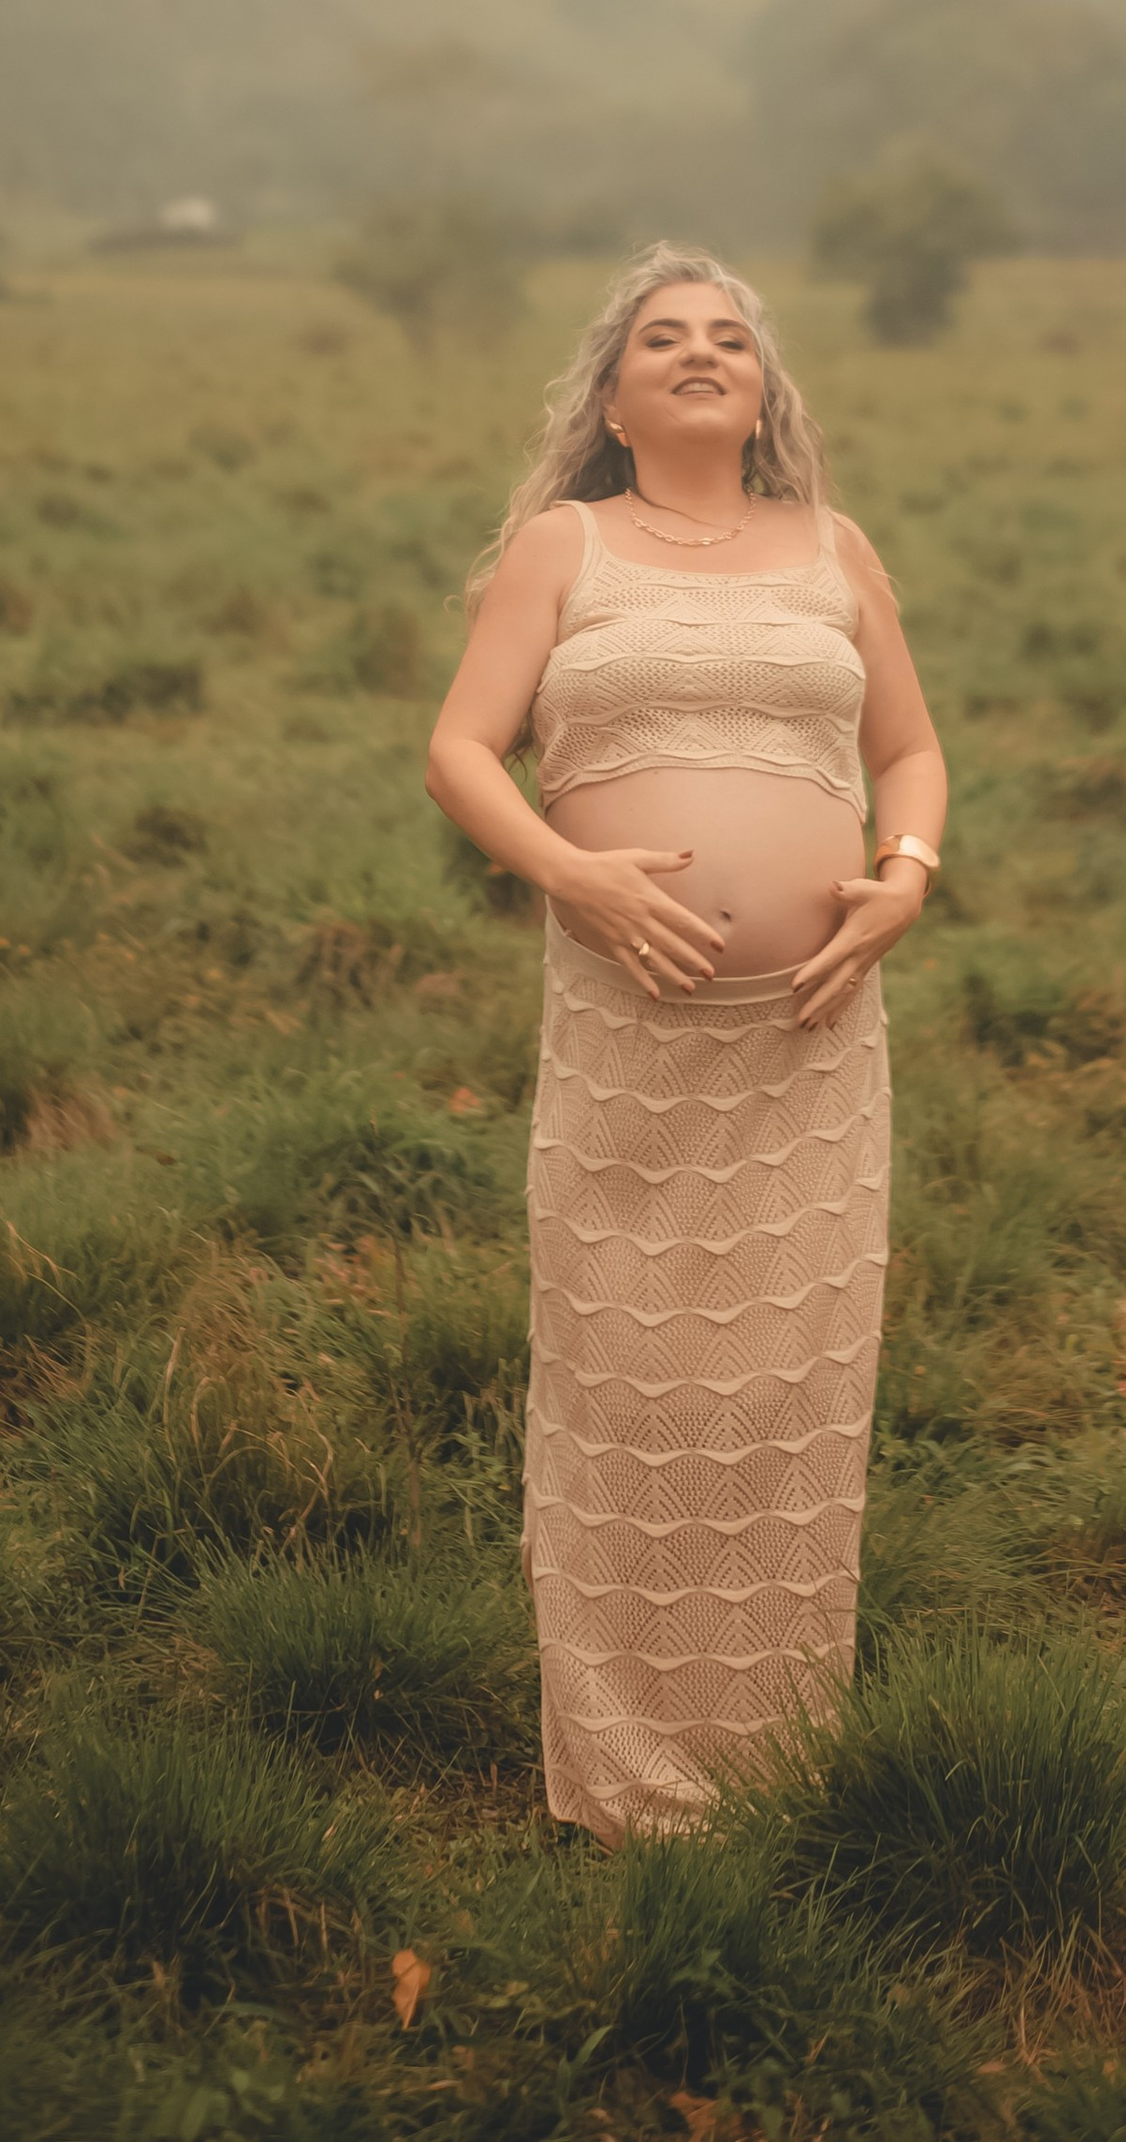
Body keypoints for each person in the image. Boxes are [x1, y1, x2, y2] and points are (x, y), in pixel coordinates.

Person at [425, 241, 946, 1844]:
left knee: (784, 1391)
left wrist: (905, 879)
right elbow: (461, 743)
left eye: (730, 335)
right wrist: (570, 869)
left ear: (765, 389)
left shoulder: (832, 548)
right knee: (629, 1383)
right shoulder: (559, 546)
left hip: (808, 1040)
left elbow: (910, 747)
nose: (702, 351)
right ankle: (625, 1780)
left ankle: (779, 1764)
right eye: (665, 336)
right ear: (614, 393)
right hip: (629, 1040)